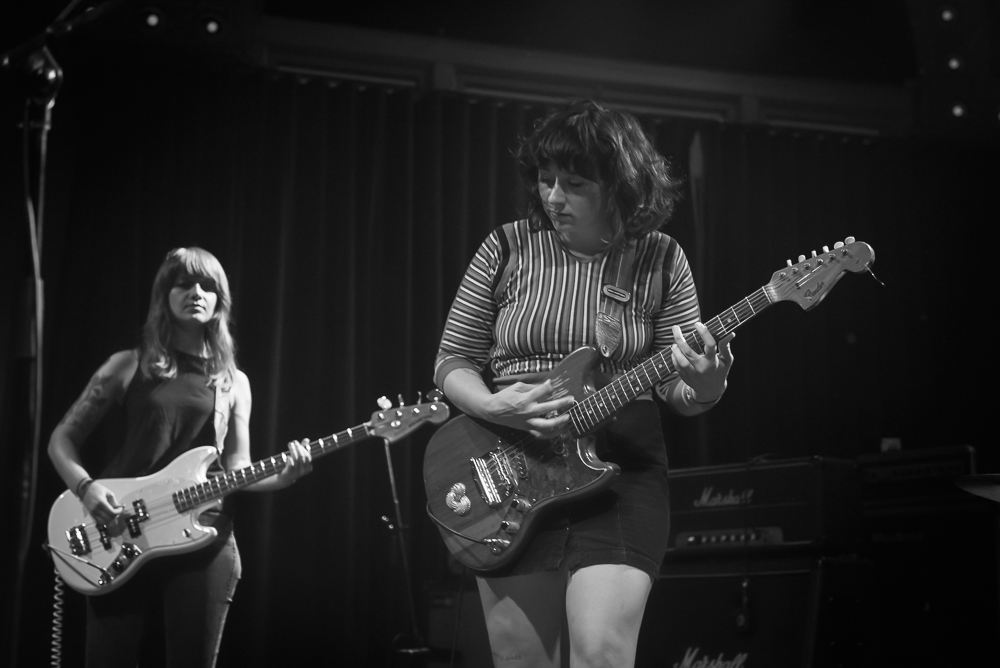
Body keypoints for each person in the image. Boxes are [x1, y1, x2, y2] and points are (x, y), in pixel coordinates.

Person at [433, 100, 734, 668]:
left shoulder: (661, 258)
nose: (552, 198)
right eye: (546, 181)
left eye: (573, 184)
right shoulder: (506, 247)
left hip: (619, 469)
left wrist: (708, 382)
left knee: (600, 654)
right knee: (524, 662)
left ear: (620, 186)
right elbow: (452, 361)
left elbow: (680, 391)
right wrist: (497, 405)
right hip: (508, 468)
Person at [47, 247, 313, 668]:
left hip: (203, 535)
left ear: (220, 300)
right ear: (164, 294)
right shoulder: (128, 365)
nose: (196, 292)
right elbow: (61, 439)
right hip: (118, 527)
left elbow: (236, 469)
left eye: (208, 285)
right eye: (184, 283)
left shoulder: (232, 381)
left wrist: (284, 477)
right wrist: (86, 486)